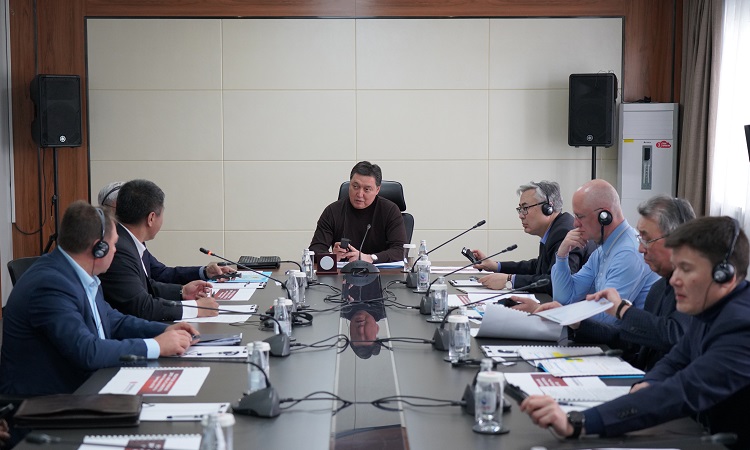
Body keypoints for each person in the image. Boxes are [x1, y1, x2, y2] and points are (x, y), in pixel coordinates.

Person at [521, 216, 750, 448]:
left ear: (724, 274)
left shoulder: (741, 327)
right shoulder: (711, 308)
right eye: (677, 267)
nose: (675, 280)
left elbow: (683, 390)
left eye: (686, 269)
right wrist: (648, 383)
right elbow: (676, 360)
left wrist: (578, 422)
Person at [0, 201, 199, 396]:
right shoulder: (50, 285)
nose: (115, 250)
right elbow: (87, 351)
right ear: (99, 249)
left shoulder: (80, 273)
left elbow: (112, 321)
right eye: (114, 244)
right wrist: (156, 346)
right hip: (45, 403)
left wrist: (164, 330)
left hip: (86, 385)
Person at [530, 195, 695, 370]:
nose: (641, 248)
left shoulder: (695, 288)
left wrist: (622, 310)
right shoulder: (659, 288)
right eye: (640, 239)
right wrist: (573, 320)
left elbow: (674, 336)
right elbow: (633, 340)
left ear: (677, 240)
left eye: (647, 240)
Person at [98, 179, 220, 321]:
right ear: (151, 218)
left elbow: (147, 285)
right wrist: (195, 308)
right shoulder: (119, 249)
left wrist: (182, 291)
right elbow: (141, 307)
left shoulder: (129, 241)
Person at [550, 179, 659, 324]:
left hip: (627, 337)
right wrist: (562, 255)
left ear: (604, 217)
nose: (575, 224)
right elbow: (565, 298)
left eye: (580, 216)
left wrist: (560, 314)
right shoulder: (602, 251)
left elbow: (607, 318)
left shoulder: (628, 253)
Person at [98, 181, 232, 284]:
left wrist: (204, 272)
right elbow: (140, 300)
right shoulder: (115, 247)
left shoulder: (134, 241)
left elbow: (160, 274)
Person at [471, 181, 592, 295]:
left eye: (525, 208)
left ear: (547, 208)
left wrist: (509, 280)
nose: (520, 215)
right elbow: (537, 266)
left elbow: (558, 282)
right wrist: (496, 266)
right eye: (520, 209)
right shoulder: (555, 229)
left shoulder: (564, 232)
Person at [309, 161, 407, 263]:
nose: (359, 194)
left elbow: (400, 250)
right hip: (343, 272)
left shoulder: (390, 210)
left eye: (367, 189)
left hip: (381, 272)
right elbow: (314, 251)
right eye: (355, 186)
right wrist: (332, 257)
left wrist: (370, 258)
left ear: (377, 190)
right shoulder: (332, 211)